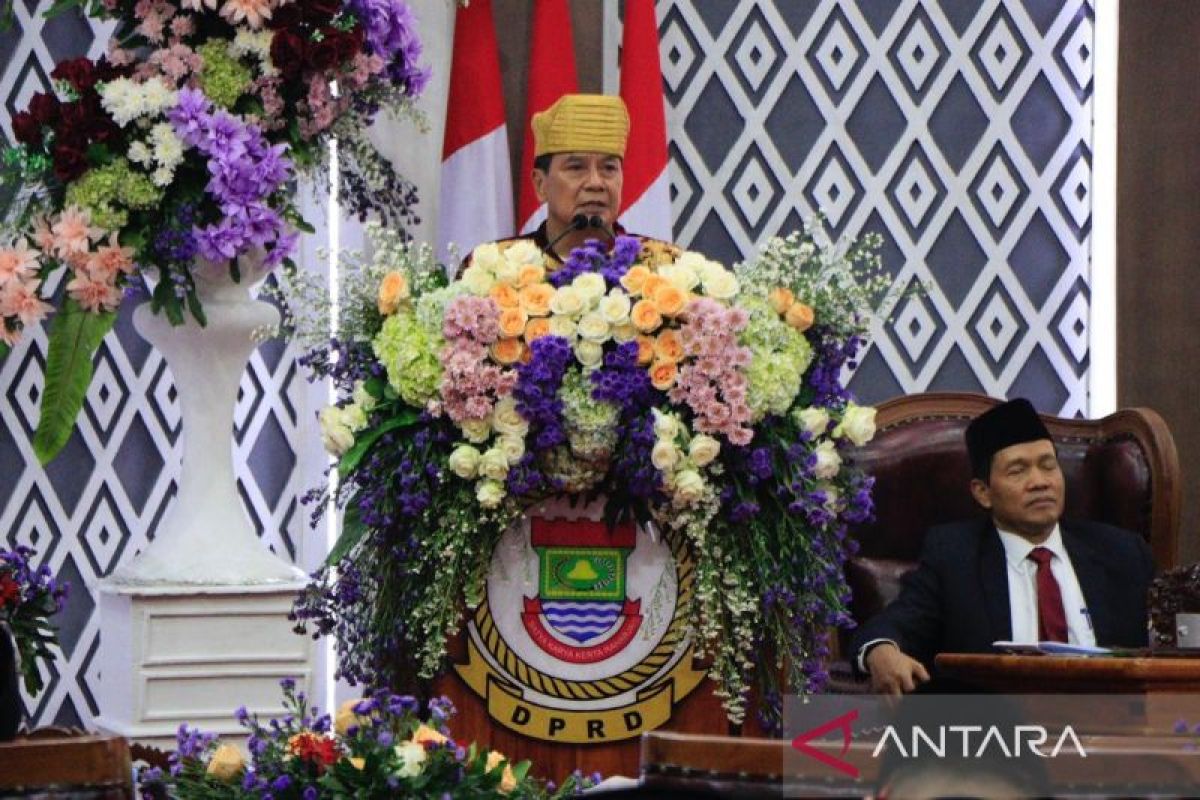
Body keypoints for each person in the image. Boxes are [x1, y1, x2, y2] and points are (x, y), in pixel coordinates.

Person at [852, 398, 1156, 695]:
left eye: (1048, 466)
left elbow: (1166, 648)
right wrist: (881, 651)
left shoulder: (1123, 553)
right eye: (1018, 471)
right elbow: (895, 625)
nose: (1040, 482)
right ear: (983, 492)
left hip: (1112, 727)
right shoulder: (954, 557)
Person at [461, 93, 678, 271]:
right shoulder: (494, 268)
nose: (596, 183)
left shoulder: (664, 267)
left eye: (608, 168)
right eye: (576, 168)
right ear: (540, 185)